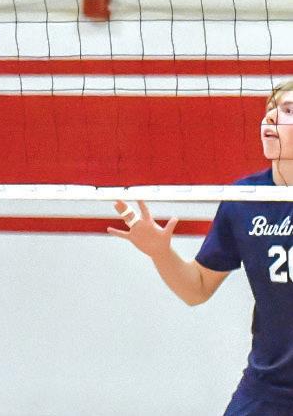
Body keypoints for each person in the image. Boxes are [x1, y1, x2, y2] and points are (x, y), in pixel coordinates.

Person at [111, 79, 293, 413]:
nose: (270, 118)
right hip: (267, 387)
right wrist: (160, 253)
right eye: (270, 110)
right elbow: (196, 288)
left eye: (288, 111)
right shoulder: (244, 199)